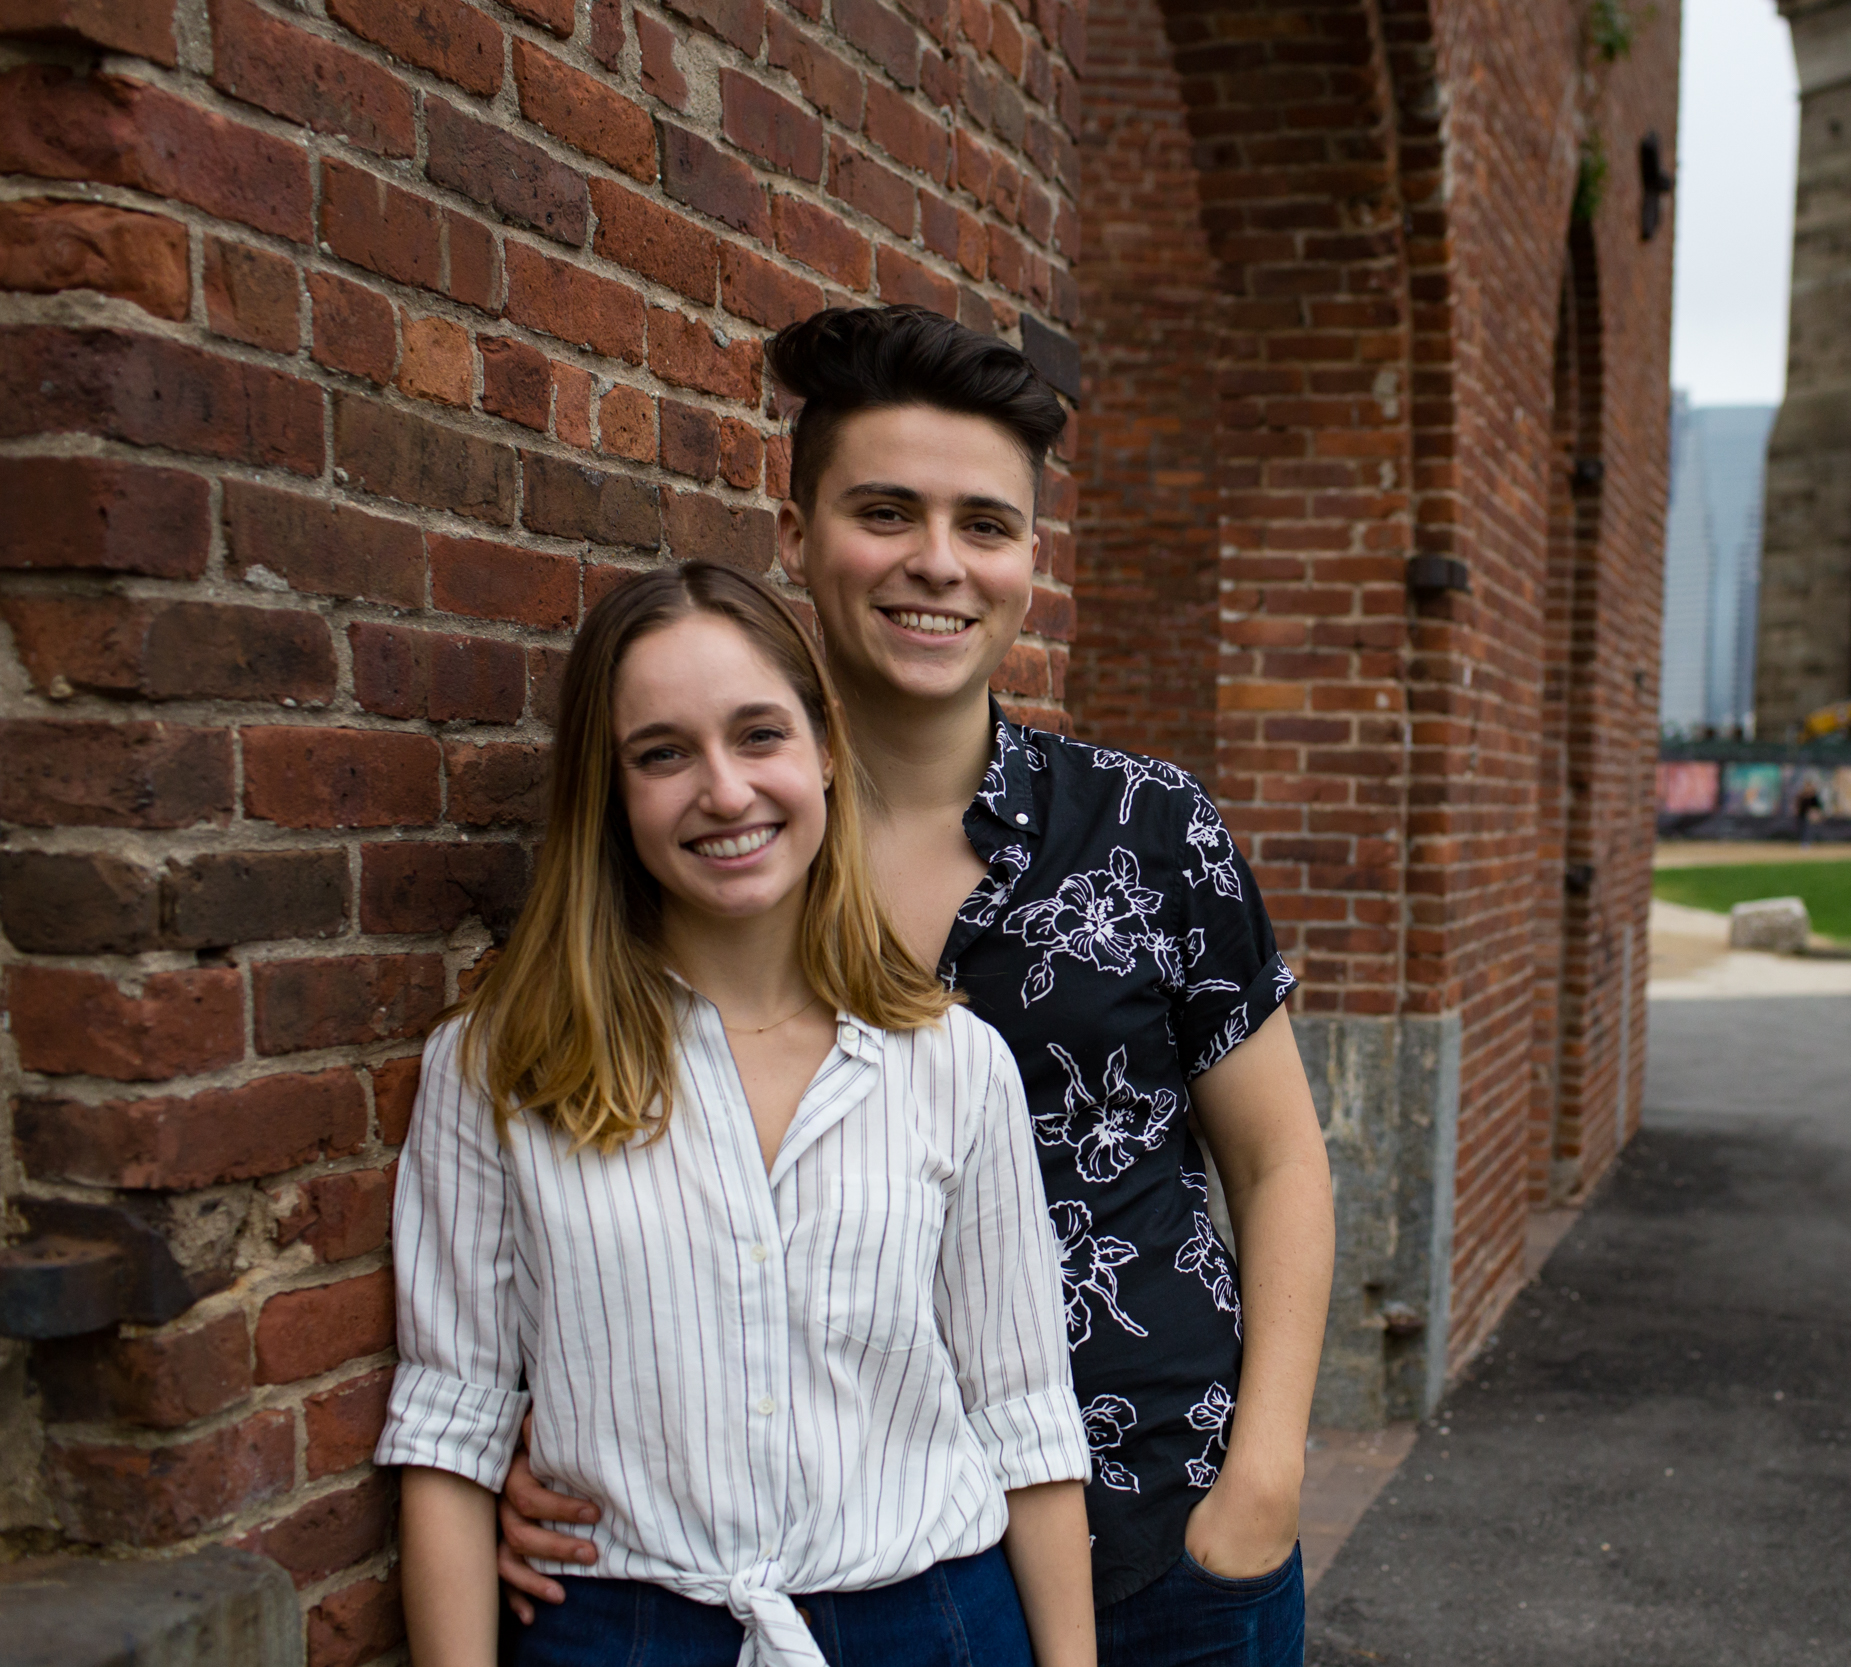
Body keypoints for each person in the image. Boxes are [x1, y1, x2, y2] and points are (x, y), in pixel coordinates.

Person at [498, 307, 1336, 1665]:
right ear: (796, 534)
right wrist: (552, 1433)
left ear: (1028, 559)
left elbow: (1280, 1155)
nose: (937, 563)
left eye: (985, 525)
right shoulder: (708, 853)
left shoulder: (1152, 829)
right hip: (864, 1573)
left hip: (1165, 1531)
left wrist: (1268, 1471)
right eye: (886, 511)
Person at [380, 562, 1096, 1667]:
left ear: (822, 749)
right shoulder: (497, 1066)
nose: (723, 790)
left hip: (933, 1621)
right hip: (618, 1630)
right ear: (610, 793)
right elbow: (448, 1430)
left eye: (758, 734)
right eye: (661, 752)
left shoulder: (956, 1065)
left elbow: (1026, 1420)